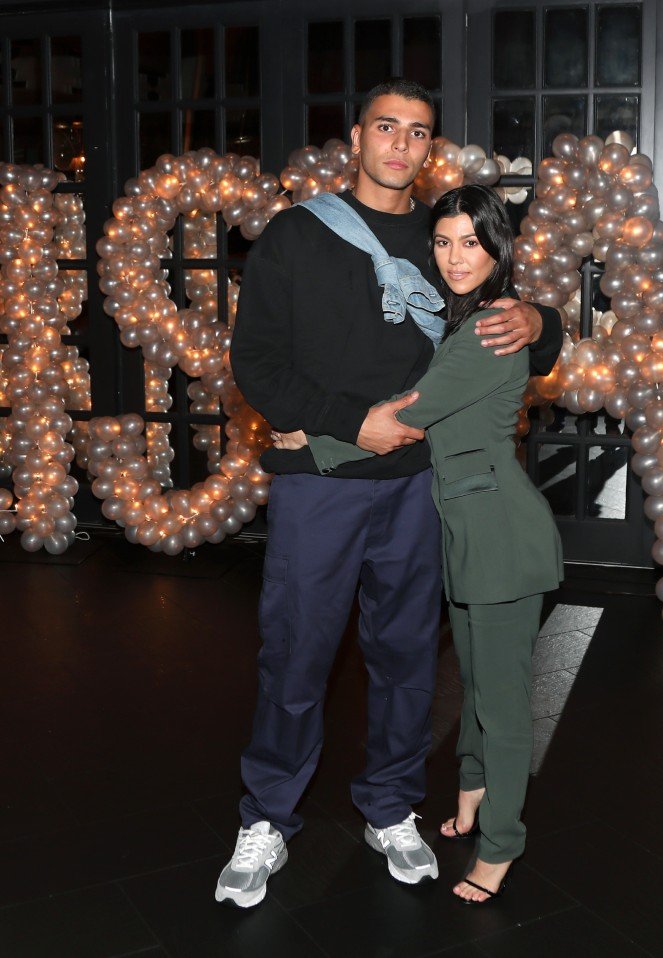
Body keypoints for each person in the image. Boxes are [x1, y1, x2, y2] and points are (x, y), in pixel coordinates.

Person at [218, 78, 563, 908]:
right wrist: (342, 422)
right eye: (387, 127)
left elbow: (503, 313)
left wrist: (544, 322)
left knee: (408, 662)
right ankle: (266, 817)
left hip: (419, 488)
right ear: (358, 137)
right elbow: (254, 364)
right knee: (296, 656)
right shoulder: (298, 236)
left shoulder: (445, 233)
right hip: (319, 485)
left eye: (418, 131)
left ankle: (391, 806)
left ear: (429, 145)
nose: (402, 143)